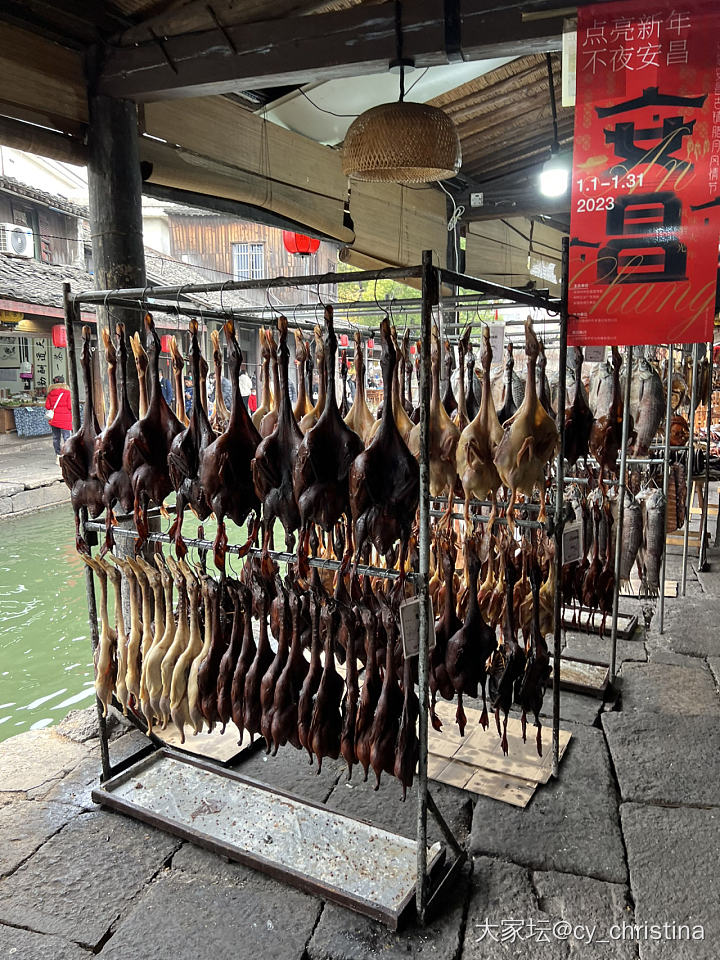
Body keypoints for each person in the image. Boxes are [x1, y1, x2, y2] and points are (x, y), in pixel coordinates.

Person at [45, 375, 72, 464]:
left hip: (54, 420)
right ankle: (67, 456)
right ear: (64, 383)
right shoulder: (67, 393)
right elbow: (70, 406)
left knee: (56, 438)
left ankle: (58, 455)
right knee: (67, 437)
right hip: (65, 419)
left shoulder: (50, 393)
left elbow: (47, 406)